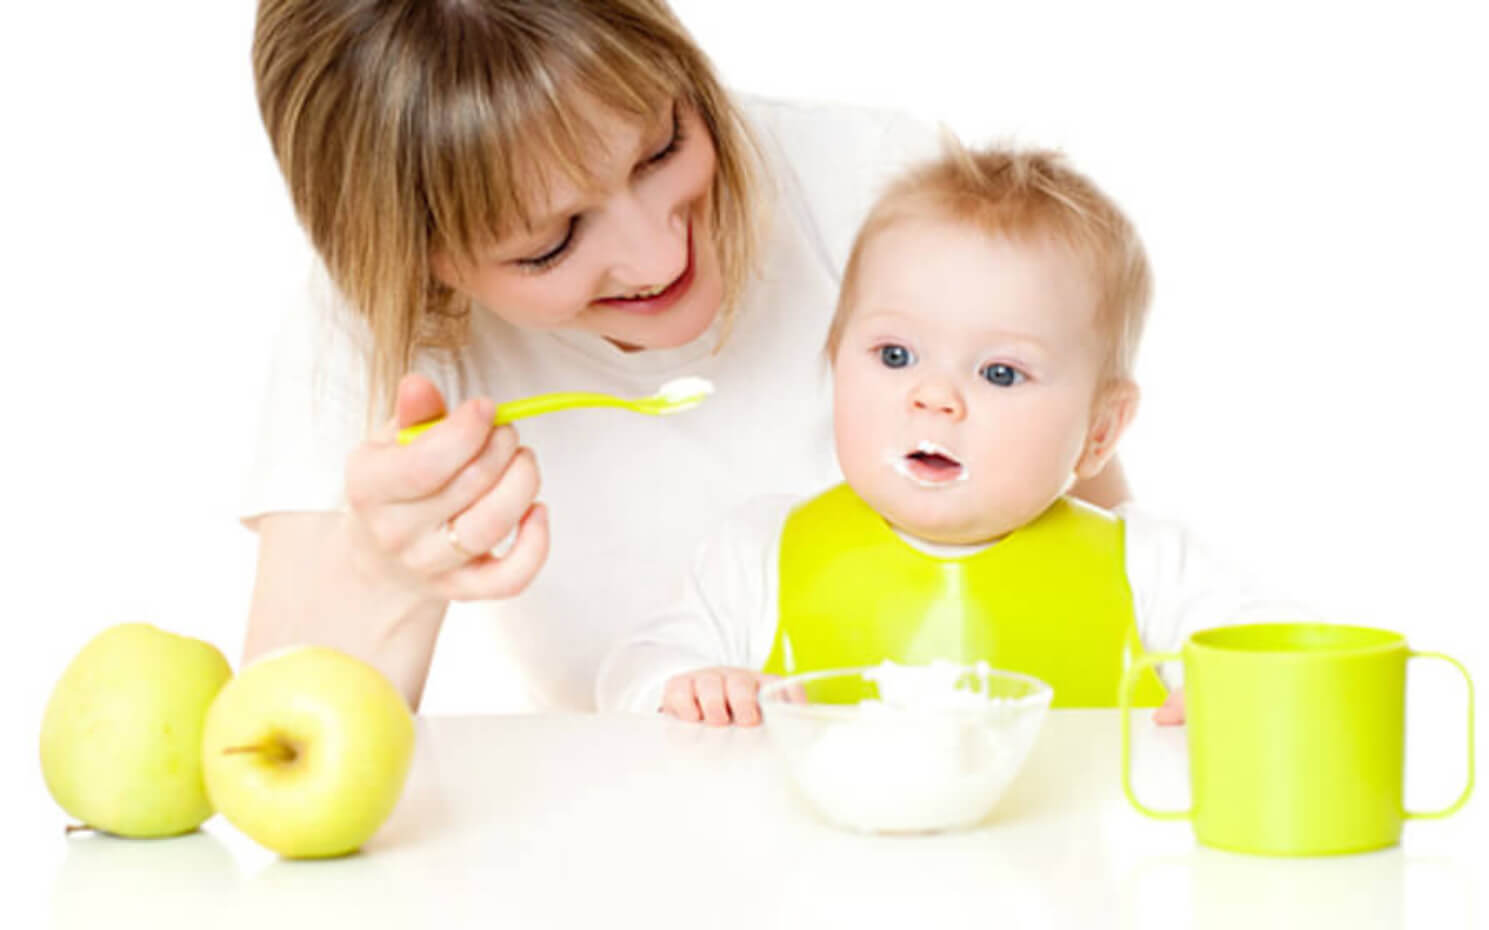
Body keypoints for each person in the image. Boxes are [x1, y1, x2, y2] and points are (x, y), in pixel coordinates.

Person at [241, 0, 1129, 712]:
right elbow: (274, 758)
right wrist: (382, 574)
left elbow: (1103, 566)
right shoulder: (384, 331)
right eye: (549, 245)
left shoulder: (882, 191)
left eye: (662, 146)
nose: (661, 258)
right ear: (416, 262)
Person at [596, 142, 1292, 725]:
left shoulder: (1149, 569)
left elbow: (1273, 651)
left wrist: (1227, 687)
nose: (935, 398)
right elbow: (630, 675)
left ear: (1100, 430)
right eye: (895, 357)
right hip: (823, 882)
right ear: (835, 362)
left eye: (999, 373)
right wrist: (685, 687)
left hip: (1069, 881)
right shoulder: (760, 554)